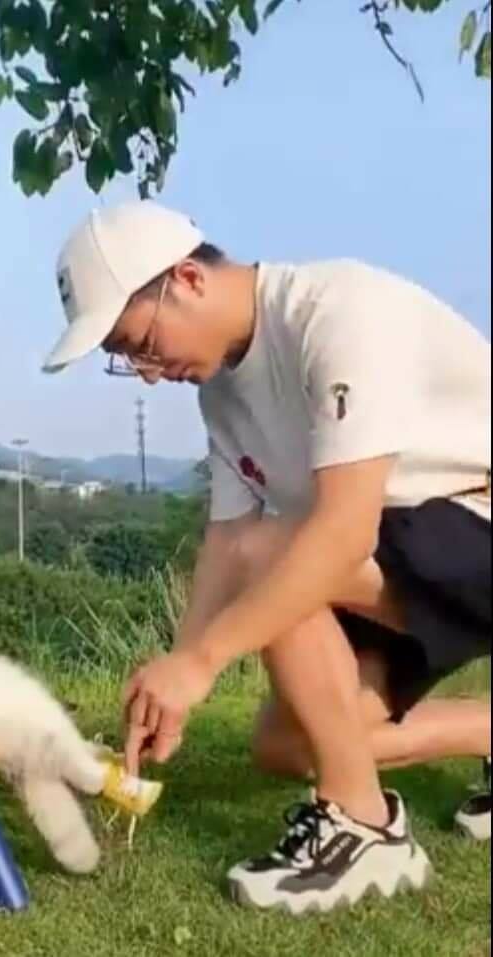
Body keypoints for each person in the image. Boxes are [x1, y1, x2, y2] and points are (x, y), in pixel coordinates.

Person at [42, 199, 491, 913]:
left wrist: (204, 661)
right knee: (287, 745)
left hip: (473, 517)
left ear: (188, 279)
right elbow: (227, 539)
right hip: (412, 557)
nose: (148, 373)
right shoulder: (221, 393)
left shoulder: (337, 312)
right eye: (127, 361)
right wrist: (177, 676)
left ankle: (366, 826)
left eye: (141, 343)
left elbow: (342, 535)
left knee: (278, 549)